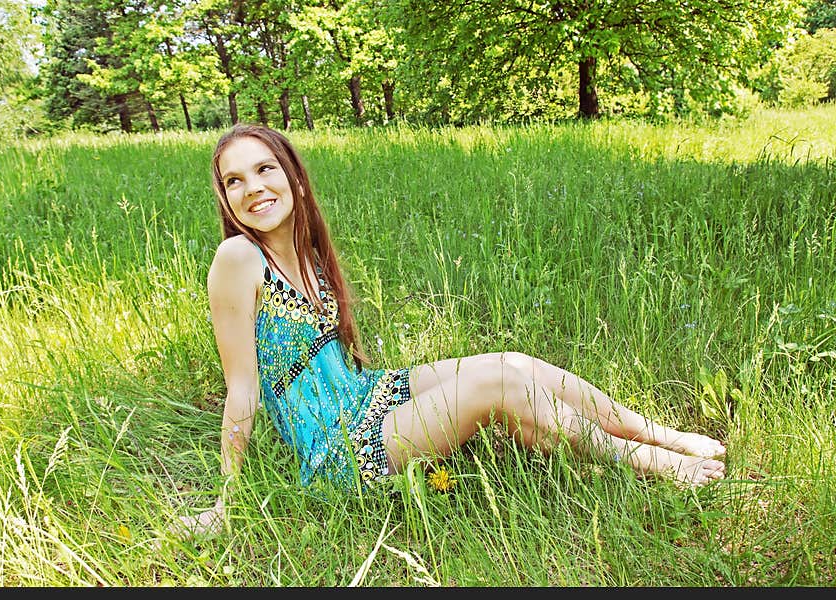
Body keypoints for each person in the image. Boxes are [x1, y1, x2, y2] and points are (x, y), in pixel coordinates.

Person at [169, 123, 726, 537]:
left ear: (293, 175)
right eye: (234, 180)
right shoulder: (238, 257)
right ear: (226, 197)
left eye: (265, 168)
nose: (253, 188)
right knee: (496, 388)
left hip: (367, 396)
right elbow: (242, 389)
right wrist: (228, 501)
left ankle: (656, 434)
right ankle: (654, 462)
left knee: (512, 364)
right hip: (336, 450)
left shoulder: (305, 250)